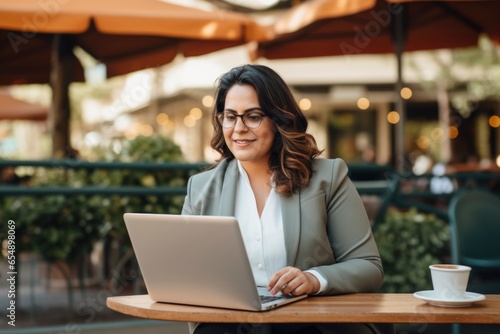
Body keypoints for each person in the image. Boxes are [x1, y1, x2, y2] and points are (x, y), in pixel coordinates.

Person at [182, 64, 384, 334]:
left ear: (279, 120)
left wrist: (314, 279)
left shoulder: (327, 177)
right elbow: (187, 273)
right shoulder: (201, 188)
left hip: (309, 322)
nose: (238, 128)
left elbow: (368, 266)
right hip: (231, 323)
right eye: (230, 116)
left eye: (253, 116)